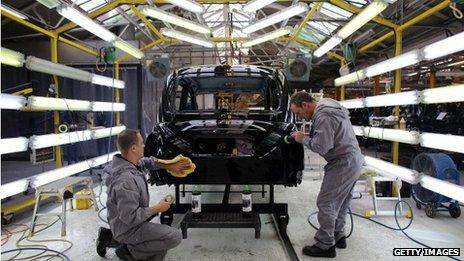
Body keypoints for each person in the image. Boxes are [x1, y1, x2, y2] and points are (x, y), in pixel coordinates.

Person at [97, 129, 191, 261]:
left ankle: (110, 237)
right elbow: (130, 217)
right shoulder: (125, 181)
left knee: (158, 248)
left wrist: (169, 165)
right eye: (141, 143)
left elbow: (148, 162)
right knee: (173, 237)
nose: (144, 145)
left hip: (123, 222)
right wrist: (158, 208)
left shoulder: (128, 163)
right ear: (134, 148)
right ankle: (128, 251)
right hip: (128, 227)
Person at [289, 92, 364, 258]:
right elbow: (328, 137)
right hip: (353, 159)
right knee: (341, 201)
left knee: (326, 201)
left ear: (305, 105)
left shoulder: (323, 116)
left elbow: (322, 147)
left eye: (298, 112)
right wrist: (306, 136)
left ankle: (325, 245)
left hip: (342, 162)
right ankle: (338, 234)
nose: (299, 117)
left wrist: (302, 139)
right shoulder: (328, 107)